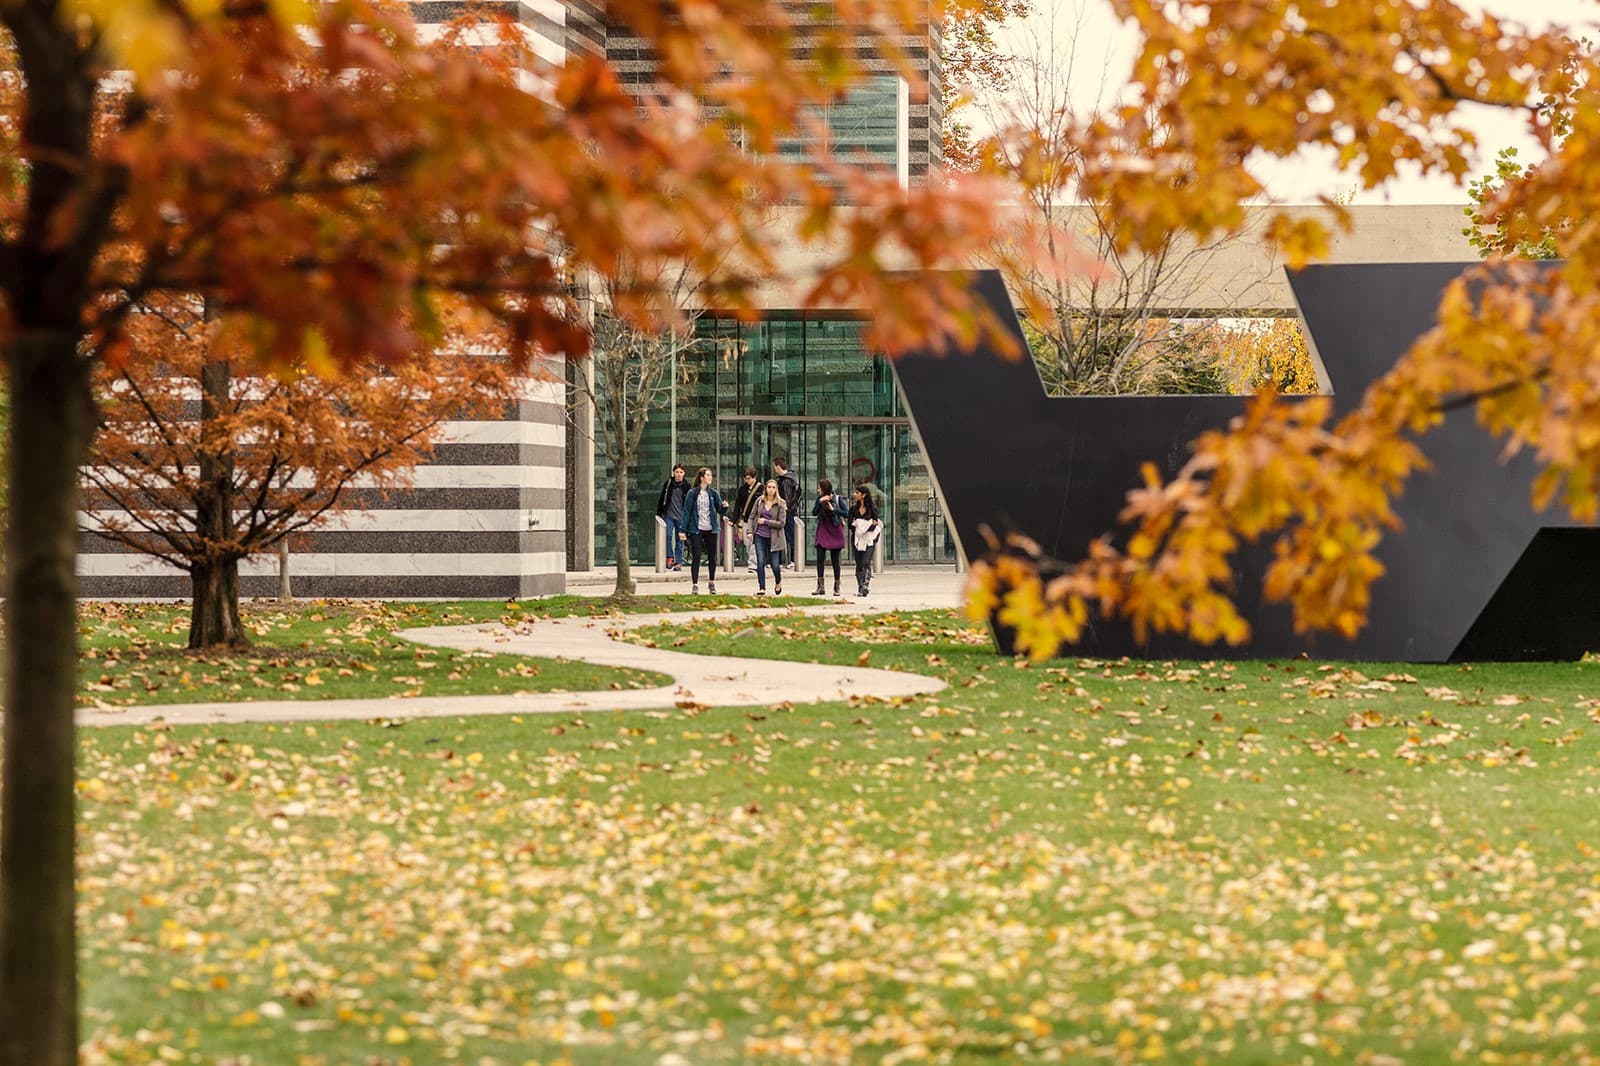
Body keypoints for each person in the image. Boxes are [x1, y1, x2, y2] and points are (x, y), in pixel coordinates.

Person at [681, 466, 728, 595]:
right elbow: (687, 512)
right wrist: (682, 530)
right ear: (702, 477)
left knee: (712, 557)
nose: (710, 478)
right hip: (696, 528)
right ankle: (695, 584)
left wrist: (725, 507)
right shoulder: (693, 493)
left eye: (711, 475)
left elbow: (719, 510)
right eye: (708, 475)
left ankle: (711, 582)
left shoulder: (713, 493)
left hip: (710, 529)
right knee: (696, 556)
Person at [811, 478, 848, 597]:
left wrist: (834, 510)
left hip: (834, 528)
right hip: (823, 528)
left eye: (819, 488)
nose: (817, 490)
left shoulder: (837, 499)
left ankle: (837, 586)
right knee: (820, 558)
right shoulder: (819, 499)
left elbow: (847, 513)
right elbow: (814, 512)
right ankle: (820, 586)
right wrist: (820, 501)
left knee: (835, 560)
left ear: (824, 489)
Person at [751, 477, 788, 596]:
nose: (771, 490)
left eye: (773, 487)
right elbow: (752, 516)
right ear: (766, 489)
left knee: (775, 565)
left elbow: (782, 523)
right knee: (760, 561)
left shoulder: (781, 504)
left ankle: (778, 581)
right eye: (769, 487)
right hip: (760, 535)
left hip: (774, 538)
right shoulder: (759, 501)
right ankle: (762, 587)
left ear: (776, 489)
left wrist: (766, 522)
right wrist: (750, 531)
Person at [655, 463, 690, 571]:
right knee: (667, 536)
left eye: (681, 472)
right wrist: (659, 513)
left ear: (684, 474)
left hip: (681, 517)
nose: (678, 474)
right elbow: (662, 498)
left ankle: (678, 562)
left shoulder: (687, 486)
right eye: (676, 472)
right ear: (673, 473)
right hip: (668, 515)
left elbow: (690, 502)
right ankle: (669, 556)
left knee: (680, 540)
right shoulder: (668, 483)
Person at [849, 484, 882, 597]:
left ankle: (865, 585)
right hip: (857, 540)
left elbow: (874, 525)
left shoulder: (872, 509)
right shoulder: (853, 509)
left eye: (857, 493)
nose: (855, 494)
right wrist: (864, 525)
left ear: (863, 495)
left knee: (866, 562)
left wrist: (859, 524)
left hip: (869, 539)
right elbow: (851, 525)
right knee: (859, 563)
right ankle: (860, 587)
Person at [772, 456, 801, 572]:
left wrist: (783, 508)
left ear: (778, 467)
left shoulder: (786, 481)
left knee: (788, 535)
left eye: (775, 467)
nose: (774, 469)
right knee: (789, 535)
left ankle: (793, 560)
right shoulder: (792, 478)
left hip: (787, 512)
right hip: (791, 511)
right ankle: (791, 560)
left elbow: (787, 499)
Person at [732, 466, 760, 571]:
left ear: (754, 477)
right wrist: (734, 519)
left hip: (756, 520)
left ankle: (753, 564)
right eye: (746, 478)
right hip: (746, 519)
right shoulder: (742, 489)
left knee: (753, 541)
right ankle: (753, 561)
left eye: (749, 478)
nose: (747, 481)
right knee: (747, 542)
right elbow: (738, 505)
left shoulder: (761, 489)